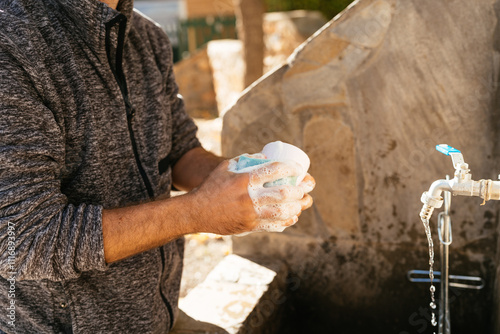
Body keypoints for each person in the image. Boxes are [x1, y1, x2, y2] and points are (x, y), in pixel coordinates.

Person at [0, 0, 315, 333]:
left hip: (159, 318)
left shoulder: (148, 37)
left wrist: (243, 181)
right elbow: (20, 241)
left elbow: (180, 152)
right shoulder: (12, 41)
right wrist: (198, 212)